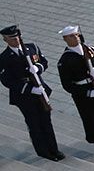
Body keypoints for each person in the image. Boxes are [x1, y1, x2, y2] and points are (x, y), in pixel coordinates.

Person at [0, 25, 63, 160]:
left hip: (40, 90)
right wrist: (29, 89)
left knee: (46, 121)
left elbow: (44, 62)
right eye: (11, 38)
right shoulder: (4, 58)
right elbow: (7, 81)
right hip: (24, 96)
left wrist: (38, 68)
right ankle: (43, 152)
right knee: (34, 124)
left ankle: (54, 149)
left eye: (17, 37)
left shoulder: (32, 47)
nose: (16, 40)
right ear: (5, 40)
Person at [56, 25, 94, 158]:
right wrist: (87, 93)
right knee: (91, 119)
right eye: (71, 36)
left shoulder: (91, 49)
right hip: (83, 95)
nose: (75, 38)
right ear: (65, 39)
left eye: (76, 34)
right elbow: (67, 85)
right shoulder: (65, 60)